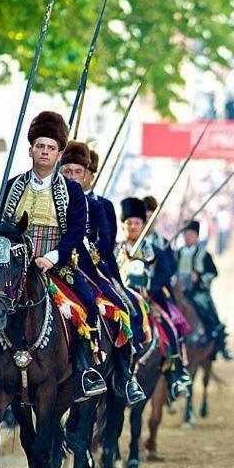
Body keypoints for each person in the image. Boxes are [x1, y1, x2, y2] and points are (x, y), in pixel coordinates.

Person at [0, 111, 107, 401]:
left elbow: (75, 232)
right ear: (31, 150)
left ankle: (86, 370)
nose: (45, 152)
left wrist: (51, 257)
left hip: (55, 265)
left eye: (51, 148)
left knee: (88, 302)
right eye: (40, 146)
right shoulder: (13, 185)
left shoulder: (73, 191)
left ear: (59, 153)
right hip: (13, 267)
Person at [60, 140, 145, 405]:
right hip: (53, 264)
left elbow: (106, 241)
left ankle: (123, 374)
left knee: (122, 307)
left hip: (88, 267)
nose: (72, 177)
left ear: (86, 175)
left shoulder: (98, 206)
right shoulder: (49, 198)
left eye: (77, 172)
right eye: (67, 171)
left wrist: (93, 249)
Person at [115, 197, 191, 400]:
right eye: (128, 223)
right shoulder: (114, 249)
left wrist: (149, 285)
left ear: (144, 224)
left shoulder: (155, 251)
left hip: (148, 299)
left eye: (137, 223)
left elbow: (165, 273)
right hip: (116, 299)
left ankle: (176, 374)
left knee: (169, 325)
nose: (132, 227)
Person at [176, 220, 233, 361]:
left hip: (197, 292)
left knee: (209, 313)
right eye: (186, 234)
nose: (188, 237)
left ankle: (219, 343)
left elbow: (213, 273)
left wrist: (200, 277)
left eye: (191, 234)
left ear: (196, 236)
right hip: (179, 293)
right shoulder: (176, 254)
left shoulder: (204, 255)